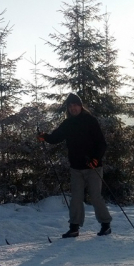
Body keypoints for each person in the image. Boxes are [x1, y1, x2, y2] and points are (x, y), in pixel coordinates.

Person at [38, 93, 113, 238]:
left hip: (93, 167)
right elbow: (56, 137)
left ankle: (106, 225)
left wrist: (96, 159)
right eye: (70, 106)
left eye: (75, 105)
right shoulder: (68, 124)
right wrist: (44, 137)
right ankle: (74, 227)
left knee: (96, 197)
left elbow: (101, 143)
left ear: (80, 106)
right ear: (68, 108)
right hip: (76, 168)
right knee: (76, 198)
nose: (73, 108)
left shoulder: (90, 121)